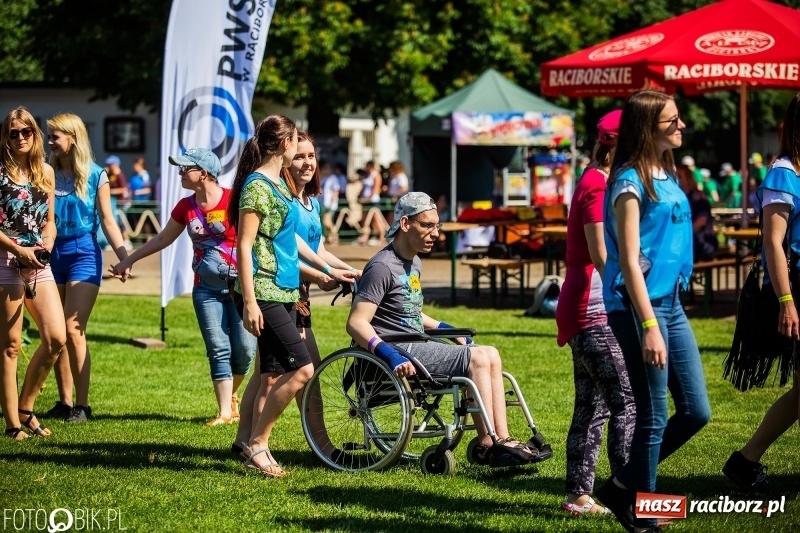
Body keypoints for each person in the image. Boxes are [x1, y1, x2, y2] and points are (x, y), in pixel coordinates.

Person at [346, 192, 539, 466]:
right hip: (398, 351)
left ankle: (497, 439)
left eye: (437, 226)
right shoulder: (381, 267)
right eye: (427, 225)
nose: (435, 233)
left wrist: (447, 328)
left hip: (417, 344)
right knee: (480, 357)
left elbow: (410, 311)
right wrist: (390, 355)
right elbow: (356, 322)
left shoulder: (413, 262)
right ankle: (492, 441)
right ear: (404, 224)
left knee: (489, 354)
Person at [596, 91, 711, 533]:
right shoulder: (628, 182)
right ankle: (642, 510)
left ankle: (623, 482)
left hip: (671, 304)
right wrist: (648, 325)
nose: (682, 127)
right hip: (637, 306)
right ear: (648, 128)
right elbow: (627, 260)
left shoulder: (668, 172)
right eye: (673, 121)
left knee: (697, 411)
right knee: (654, 413)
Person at [228, 115, 355, 477]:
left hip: (285, 290)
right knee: (302, 369)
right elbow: (245, 245)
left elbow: (292, 240)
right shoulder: (257, 186)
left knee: (271, 372)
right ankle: (258, 444)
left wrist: (329, 270)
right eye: (297, 143)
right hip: (265, 292)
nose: (304, 155)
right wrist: (250, 301)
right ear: (285, 144)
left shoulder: (280, 188)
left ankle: (251, 444)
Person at [111, 148, 256, 426]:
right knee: (218, 348)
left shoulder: (233, 200)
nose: (179, 173)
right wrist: (128, 260)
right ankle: (225, 411)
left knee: (245, 351)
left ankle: (232, 395)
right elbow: (162, 239)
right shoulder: (185, 207)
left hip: (241, 288)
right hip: (205, 290)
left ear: (203, 173)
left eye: (184, 168)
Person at [555, 110, 635, 516]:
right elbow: (601, 255)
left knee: (593, 406)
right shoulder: (596, 186)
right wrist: (633, 301)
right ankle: (630, 497)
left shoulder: (595, 180)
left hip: (585, 307)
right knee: (627, 401)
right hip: (593, 308)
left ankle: (578, 496)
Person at [723, 93, 800, 494]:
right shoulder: (784, 173)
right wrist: (787, 301)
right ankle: (745, 460)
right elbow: (774, 243)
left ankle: (745, 460)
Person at [42, 113, 131, 423]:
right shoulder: (44, 173)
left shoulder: (96, 175)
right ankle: (64, 402)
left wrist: (124, 256)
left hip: (83, 254)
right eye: (49, 136)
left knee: (73, 329)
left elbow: (109, 220)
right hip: (50, 256)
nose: (49, 141)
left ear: (74, 138)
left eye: (56, 136)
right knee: (55, 333)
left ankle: (83, 405)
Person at [0, 107, 66, 440]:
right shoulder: (0, 172)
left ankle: (26, 408)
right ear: (5, 137)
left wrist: (46, 245)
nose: (21, 137)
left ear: (34, 134)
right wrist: (18, 250)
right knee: (10, 345)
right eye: (14, 133)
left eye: (27, 131)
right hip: (5, 260)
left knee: (56, 337)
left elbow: (49, 222)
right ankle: (13, 423)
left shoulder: (45, 171)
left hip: (39, 261)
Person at [677, 164, 718, 261]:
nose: (676, 180)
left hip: (702, 245)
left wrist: (680, 236)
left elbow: (701, 221)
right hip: (688, 245)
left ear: (688, 179)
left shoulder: (698, 197)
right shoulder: (679, 198)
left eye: (679, 177)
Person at [104, 155, 133, 250]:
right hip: (114, 203)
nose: (109, 166)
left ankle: (126, 241)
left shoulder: (120, 175)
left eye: (111, 164)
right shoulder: (111, 175)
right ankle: (116, 242)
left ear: (116, 164)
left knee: (121, 221)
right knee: (115, 222)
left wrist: (111, 191)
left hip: (122, 203)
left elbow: (123, 189)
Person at [319, 159, 340, 244]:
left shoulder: (333, 178)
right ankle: (331, 237)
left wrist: (331, 203)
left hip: (330, 204)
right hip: (323, 203)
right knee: (326, 222)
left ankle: (335, 236)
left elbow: (336, 191)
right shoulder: (323, 178)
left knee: (327, 222)